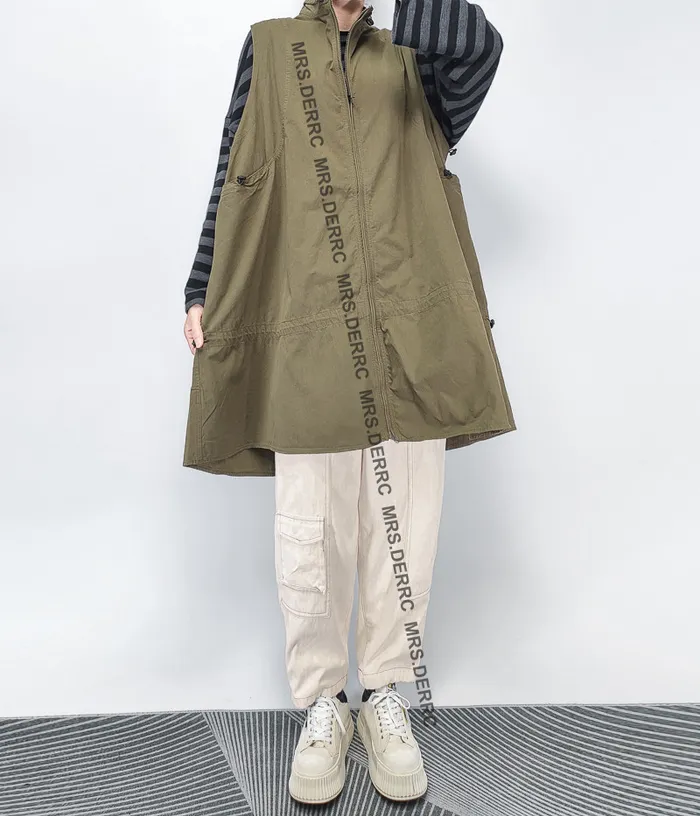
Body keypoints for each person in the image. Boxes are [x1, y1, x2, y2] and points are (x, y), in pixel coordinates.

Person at [182, 0, 515, 804]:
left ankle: (386, 694)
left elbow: (481, 44)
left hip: (412, 327)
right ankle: (325, 702)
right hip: (306, 323)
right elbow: (237, 169)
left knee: (408, 519)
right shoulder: (269, 48)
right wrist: (201, 283)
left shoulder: (419, 57)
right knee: (312, 524)